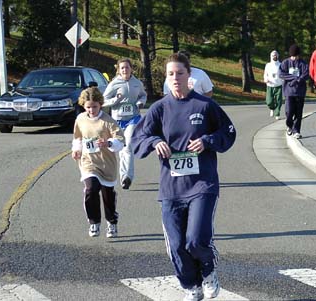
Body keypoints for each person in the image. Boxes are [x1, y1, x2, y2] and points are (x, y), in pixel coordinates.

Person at [131, 53, 236, 300]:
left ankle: (209, 271)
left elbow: (229, 133)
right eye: (170, 74)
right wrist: (155, 141)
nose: (175, 78)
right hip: (171, 188)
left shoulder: (205, 106)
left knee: (195, 239)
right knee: (177, 245)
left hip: (202, 184)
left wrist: (208, 141)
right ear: (166, 79)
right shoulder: (159, 109)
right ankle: (191, 284)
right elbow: (137, 140)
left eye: (180, 73)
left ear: (190, 75)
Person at [72, 87, 125, 238]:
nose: (91, 110)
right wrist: (76, 149)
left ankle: (112, 221)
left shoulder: (107, 121)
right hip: (88, 162)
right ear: (83, 105)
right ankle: (94, 221)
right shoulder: (81, 119)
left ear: (100, 104)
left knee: (107, 195)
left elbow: (121, 141)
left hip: (106, 164)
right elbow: (77, 137)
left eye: (94, 106)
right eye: (88, 107)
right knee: (91, 189)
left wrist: (108, 143)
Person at [103, 58, 147, 190]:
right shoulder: (114, 84)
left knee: (127, 147)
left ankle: (126, 177)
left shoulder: (137, 83)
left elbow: (143, 95)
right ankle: (124, 176)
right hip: (117, 120)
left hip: (133, 119)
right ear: (118, 70)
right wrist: (116, 100)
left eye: (127, 67)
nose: (125, 70)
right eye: (122, 68)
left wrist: (140, 103)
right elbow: (104, 100)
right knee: (121, 150)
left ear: (131, 69)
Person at [279, 44, 309, 139]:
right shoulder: (285, 63)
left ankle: (296, 130)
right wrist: (294, 78)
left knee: (298, 112)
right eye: (292, 56)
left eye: (295, 56)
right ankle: (289, 125)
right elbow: (281, 74)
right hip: (289, 92)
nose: (294, 58)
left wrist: (298, 80)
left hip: (300, 92)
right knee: (289, 111)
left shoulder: (303, 63)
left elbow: (306, 74)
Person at [263, 50, 283, 120]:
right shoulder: (268, 65)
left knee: (279, 100)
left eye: (276, 55)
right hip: (270, 85)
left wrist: (283, 81)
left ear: (277, 56)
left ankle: (277, 113)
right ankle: (272, 108)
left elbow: (283, 74)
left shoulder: (280, 65)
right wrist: (266, 79)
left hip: (278, 85)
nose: (275, 56)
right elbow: (265, 74)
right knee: (269, 101)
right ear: (271, 56)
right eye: (273, 55)